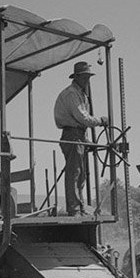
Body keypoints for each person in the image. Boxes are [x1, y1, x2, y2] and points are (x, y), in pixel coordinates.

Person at [54, 60, 107, 216]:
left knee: (81, 173)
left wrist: (86, 141)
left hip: (78, 135)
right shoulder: (72, 93)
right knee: (75, 172)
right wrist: (100, 121)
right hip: (72, 135)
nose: (87, 80)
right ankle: (75, 208)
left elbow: (82, 122)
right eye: (84, 77)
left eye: (88, 77)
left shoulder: (80, 94)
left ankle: (80, 206)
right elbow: (82, 118)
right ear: (76, 77)